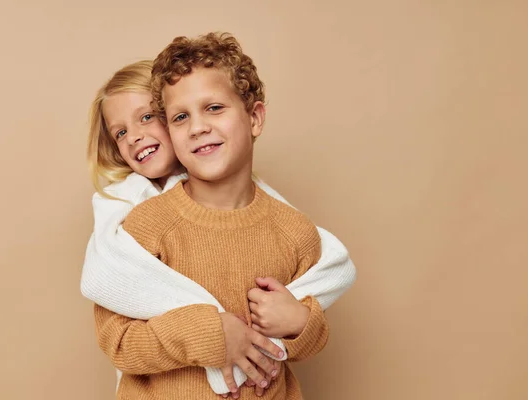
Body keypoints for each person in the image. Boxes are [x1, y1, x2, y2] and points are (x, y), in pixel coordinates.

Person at [89, 33, 355, 400]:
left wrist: (301, 324)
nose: (198, 127)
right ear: (171, 132)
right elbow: (117, 342)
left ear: (255, 118)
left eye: (214, 108)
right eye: (181, 117)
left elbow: (308, 334)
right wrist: (211, 335)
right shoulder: (144, 227)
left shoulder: (295, 232)